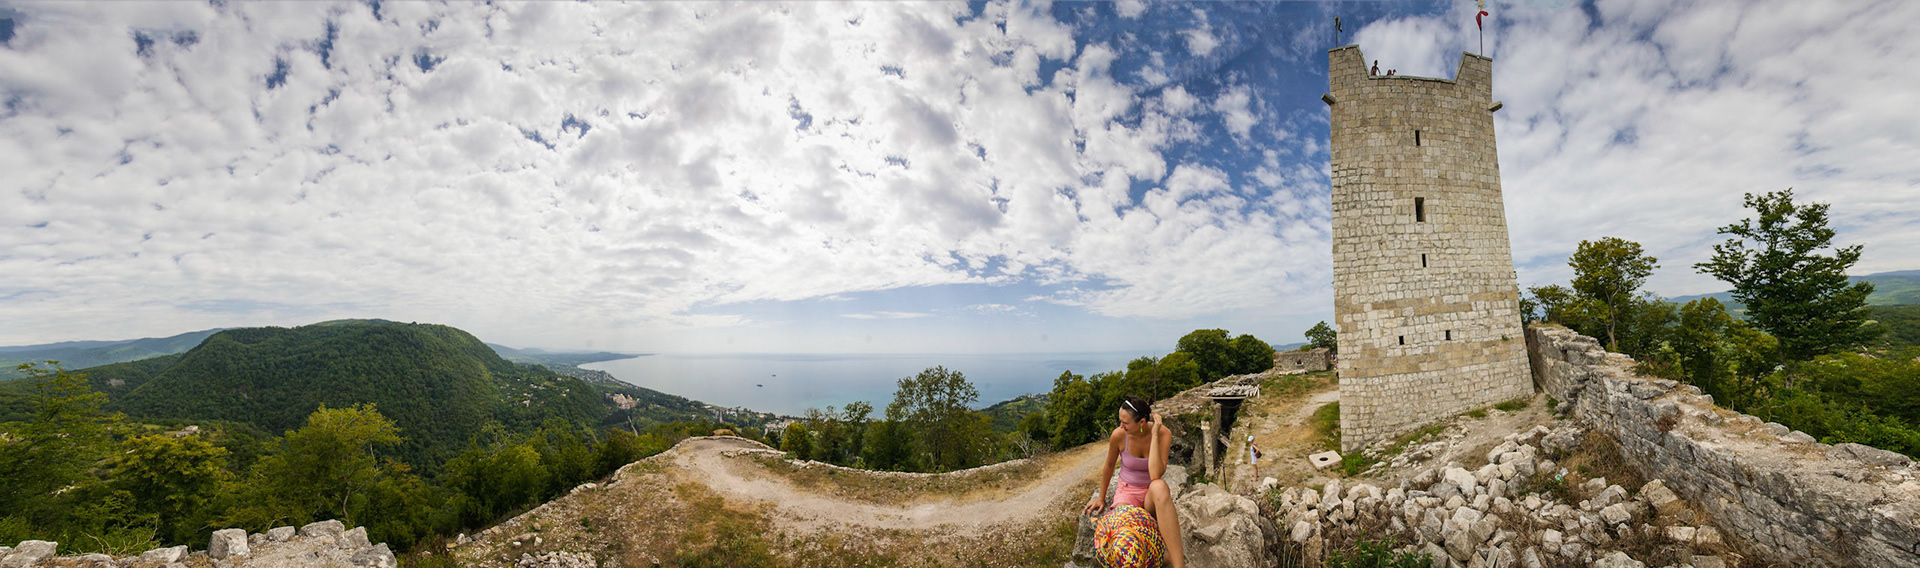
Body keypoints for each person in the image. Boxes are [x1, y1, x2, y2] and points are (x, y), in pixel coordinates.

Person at [1085, 396, 1186, 568]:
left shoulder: (1163, 434)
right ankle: (1161, 557)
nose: (1120, 426)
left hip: (1150, 495)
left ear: (1141, 422)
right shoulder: (1119, 435)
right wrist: (1101, 497)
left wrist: (1154, 435)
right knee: (1125, 539)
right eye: (1120, 421)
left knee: (1159, 486)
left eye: (1125, 423)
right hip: (1127, 493)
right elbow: (1109, 466)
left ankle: (1178, 565)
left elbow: (1155, 474)